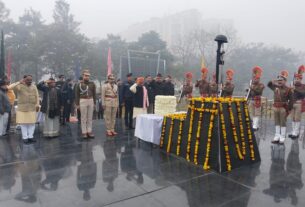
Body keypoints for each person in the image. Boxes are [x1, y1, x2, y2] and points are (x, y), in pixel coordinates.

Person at [8, 75, 39, 144]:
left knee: (32, 124)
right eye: (28, 80)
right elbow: (9, 87)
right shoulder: (19, 86)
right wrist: (19, 82)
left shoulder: (34, 86)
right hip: (22, 108)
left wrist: (37, 105)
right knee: (24, 124)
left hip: (32, 108)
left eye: (31, 80)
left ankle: (30, 137)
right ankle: (25, 138)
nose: (30, 81)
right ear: (24, 79)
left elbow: (37, 96)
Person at [268, 70, 293, 144]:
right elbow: (269, 84)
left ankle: (282, 137)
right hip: (275, 107)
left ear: (285, 81)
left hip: (283, 108)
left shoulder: (288, 89)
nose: (279, 81)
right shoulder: (275, 87)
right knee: (276, 122)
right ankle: (277, 136)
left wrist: (289, 109)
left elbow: (291, 100)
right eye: (279, 80)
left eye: (281, 80)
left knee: (282, 122)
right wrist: (275, 80)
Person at [75, 70, 96, 139]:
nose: (87, 77)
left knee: (90, 117)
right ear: (83, 76)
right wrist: (77, 104)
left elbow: (94, 94)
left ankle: (89, 131)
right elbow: (77, 95)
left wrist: (95, 103)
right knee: (83, 117)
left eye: (88, 76)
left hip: (90, 100)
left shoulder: (92, 84)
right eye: (85, 75)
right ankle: (84, 132)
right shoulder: (79, 84)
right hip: (83, 100)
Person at [289, 65, 305, 139]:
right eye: (296, 78)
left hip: (299, 103)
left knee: (297, 118)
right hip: (292, 103)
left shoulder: (303, 86)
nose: (297, 80)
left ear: (301, 79)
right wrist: (290, 90)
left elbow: (303, 94)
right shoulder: (292, 85)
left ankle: (296, 132)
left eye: (298, 78)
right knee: (292, 118)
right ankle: (293, 132)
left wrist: (295, 89)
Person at [248, 66, 265, 131]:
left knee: (256, 113)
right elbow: (250, 93)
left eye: (256, 79)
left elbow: (259, 91)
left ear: (259, 79)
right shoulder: (252, 85)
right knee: (252, 113)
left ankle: (255, 126)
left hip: (257, 100)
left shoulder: (261, 85)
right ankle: (254, 125)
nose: (255, 80)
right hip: (252, 100)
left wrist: (251, 88)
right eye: (254, 79)